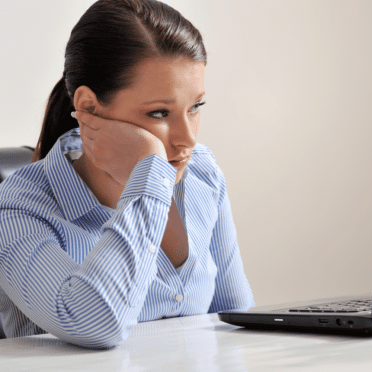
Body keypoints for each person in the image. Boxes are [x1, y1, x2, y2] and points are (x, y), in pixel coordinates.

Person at [0, 0, 254, 349]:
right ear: (89, 108)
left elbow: (239, 326)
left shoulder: (201, 175)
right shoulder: (17, 210)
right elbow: (95, 323)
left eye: (195, 107)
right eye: (160, 113)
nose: (188, 139)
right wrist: (149, 172)